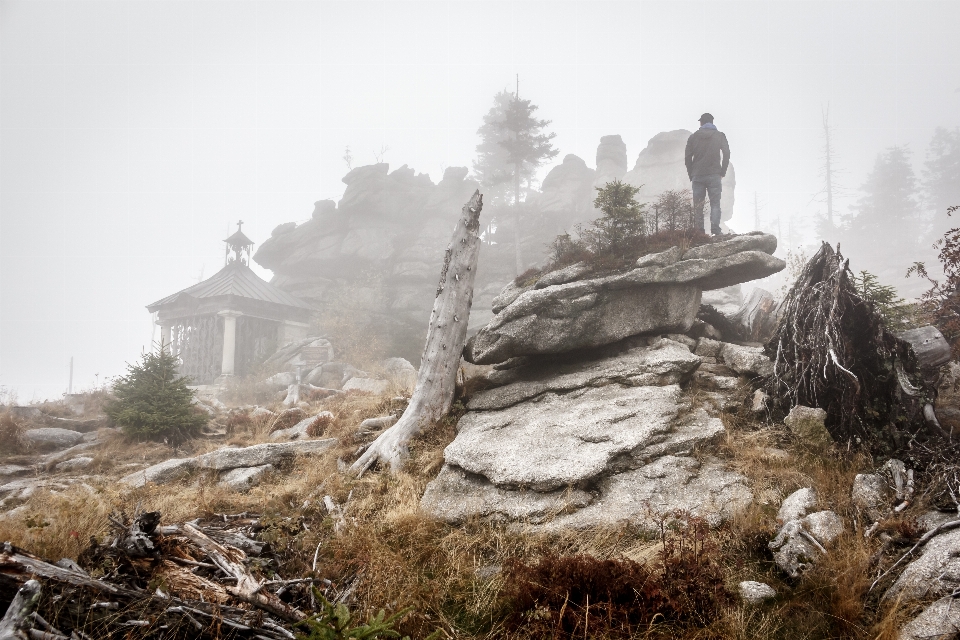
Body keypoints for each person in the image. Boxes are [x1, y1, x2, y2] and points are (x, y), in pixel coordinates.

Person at [684, 113, 730, 236]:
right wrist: (722, 172)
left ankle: (699, 233)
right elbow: (727, 153)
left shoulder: (693, 137)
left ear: (701, 123)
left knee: (698, 205)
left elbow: (687, 157)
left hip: (697, 175)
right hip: (714, 174)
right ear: (712, 122)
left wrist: (691, 174)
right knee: (715, 203)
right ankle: (715, 230)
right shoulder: (720, 136)